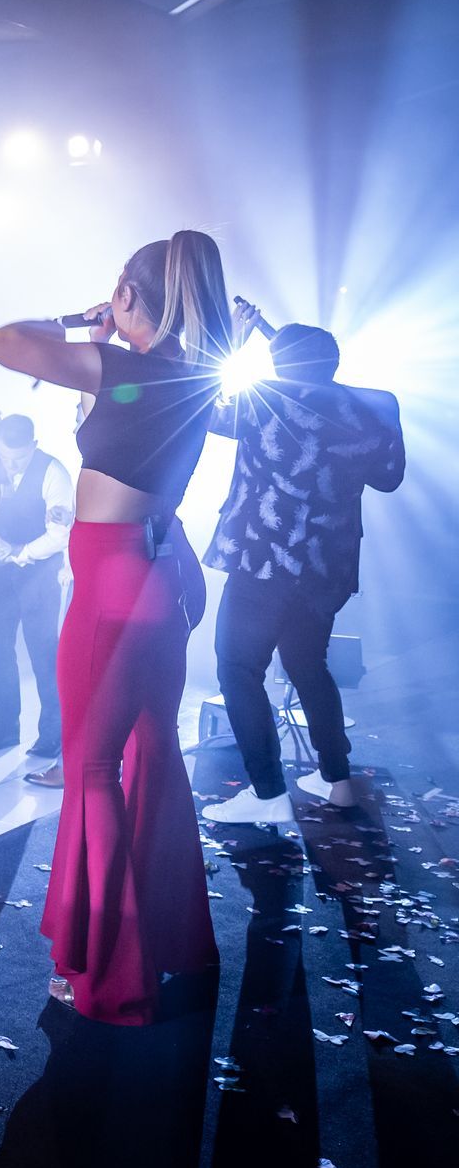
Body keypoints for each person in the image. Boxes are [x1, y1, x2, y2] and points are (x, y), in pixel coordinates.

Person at [0, 229, 231, 1026]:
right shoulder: (190, 376)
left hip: (115, 580)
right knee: (153, 749)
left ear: (129, 294)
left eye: (118, 286)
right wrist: (116, 323)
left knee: (90, 768)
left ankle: (103, 973)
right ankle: (168, 940)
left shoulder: (125, 366)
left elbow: (2, 341)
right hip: (162, 574)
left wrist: (80, 318)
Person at [199, 319, 404, 823]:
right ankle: (337, 781)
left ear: (278, 362)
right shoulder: (376, 404)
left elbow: (201, 408)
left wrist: (226, 338)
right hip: (326, 568)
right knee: (308, 665)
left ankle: (268, 794)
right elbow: (389, 478)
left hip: (262, 563)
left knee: (238, 669)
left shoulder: (259, 399)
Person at [0, 414, 74, 774]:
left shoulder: (53, 472)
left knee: (44, 656)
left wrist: (22, 554)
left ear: (33, 445)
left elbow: (60, 533)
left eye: (18, 457)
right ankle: (5, 727)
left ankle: (52, 734)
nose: (10, 463)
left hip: (38, 576)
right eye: (4, 455)